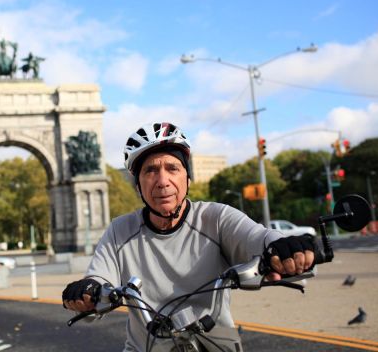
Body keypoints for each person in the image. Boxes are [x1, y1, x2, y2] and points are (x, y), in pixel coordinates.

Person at [62, 122, 316, 351]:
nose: (162, 181)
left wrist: (282, 246)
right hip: (146, 347)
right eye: (150, 170)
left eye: (172, 168)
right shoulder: (120, 231)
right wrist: (88, 291)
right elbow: (99, 277)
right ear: (138, 183)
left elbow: (257, 237)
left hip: (216, 342)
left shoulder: (216, 218)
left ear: (187, 176)